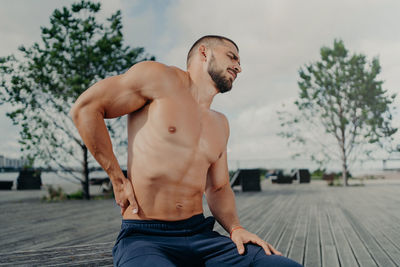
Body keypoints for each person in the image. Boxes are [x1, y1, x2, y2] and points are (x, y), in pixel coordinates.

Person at [70, 35, 302, 267]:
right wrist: (117, 178)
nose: (238, 67)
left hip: (202, 236)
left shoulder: (220, 123)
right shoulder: (159, 78)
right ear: (204, 52)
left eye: (240, 62)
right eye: (231, 57)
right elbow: (86, 109)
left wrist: (236, 228)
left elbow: (219, 187)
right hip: (145, 237)